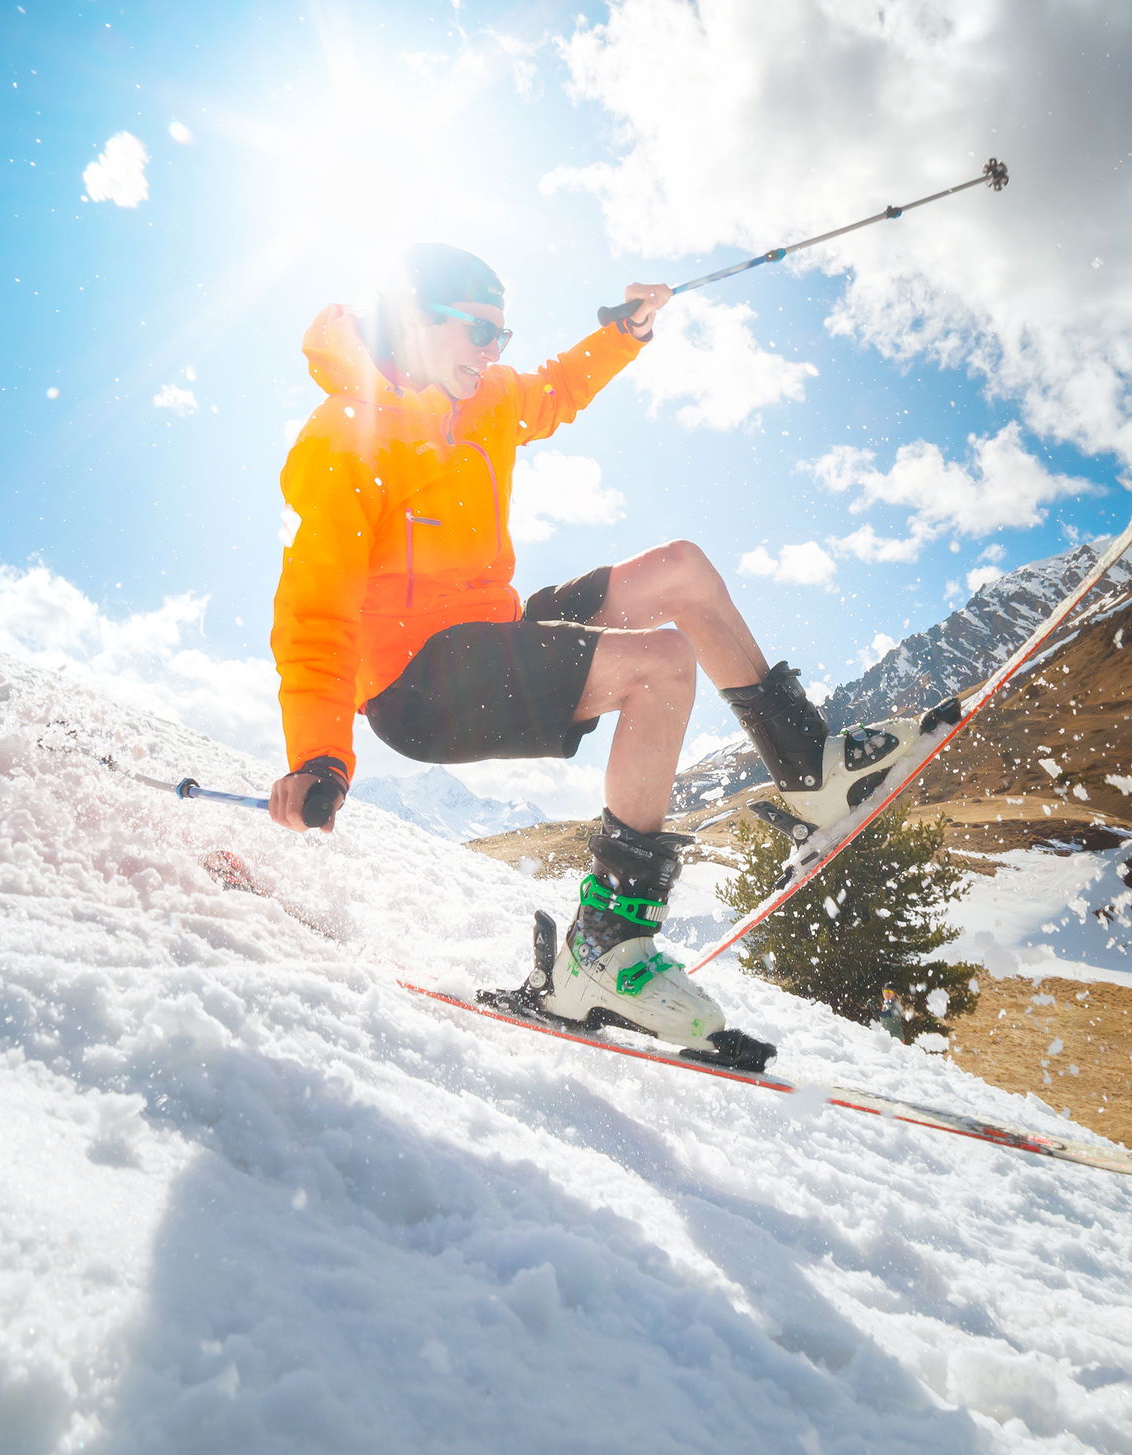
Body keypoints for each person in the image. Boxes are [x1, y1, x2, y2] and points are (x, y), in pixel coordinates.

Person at [266, 244, 933, 1069]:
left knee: (681, 569)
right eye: (478, 331)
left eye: (502, 336)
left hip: (492, 635)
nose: (493, 353)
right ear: (416, 317)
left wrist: (626, 332)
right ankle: (605, 946)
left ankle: (809, 773)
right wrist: (320, 756)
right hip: (417, 686)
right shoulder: (348, 436)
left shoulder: (488, 398)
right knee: (659, 665)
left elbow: (555, 390)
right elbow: (314, 610)